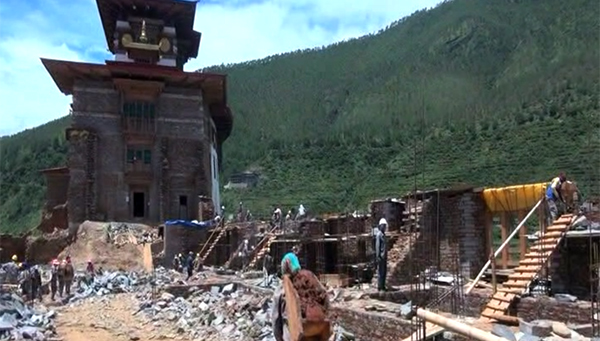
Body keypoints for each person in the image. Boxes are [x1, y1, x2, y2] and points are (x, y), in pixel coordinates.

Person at [375, 218, 388, 292]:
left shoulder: (383, 234)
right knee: (380, 272)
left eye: (385, 226)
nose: (384, 227)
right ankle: (380, 287)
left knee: (384, 272)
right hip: (381, 257)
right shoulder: (379, 235)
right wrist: (378, 256)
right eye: (383, 226)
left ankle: (383, 285)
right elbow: (377, 246)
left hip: (384, 256)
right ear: (380, 226)